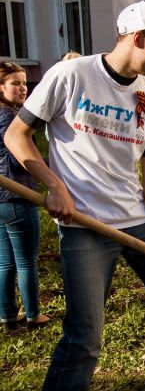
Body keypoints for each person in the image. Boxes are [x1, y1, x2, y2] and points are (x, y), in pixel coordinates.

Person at [5, 1, 145, 391]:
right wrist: (53, 184)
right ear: (138, 38)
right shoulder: (70, 75)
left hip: (138, 221)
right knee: (85, 337)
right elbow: (16, 136)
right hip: (84, 225)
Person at [0, 61, 50, 329]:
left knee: (5, 261)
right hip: (17, 195)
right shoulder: (9, 117)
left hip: (0, 201)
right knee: (26, 260)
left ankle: (7, 314)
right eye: (15, 83)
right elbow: (20, 157)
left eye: (24, 82)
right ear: (0, 87)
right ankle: (33, 314)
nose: (23, 88)